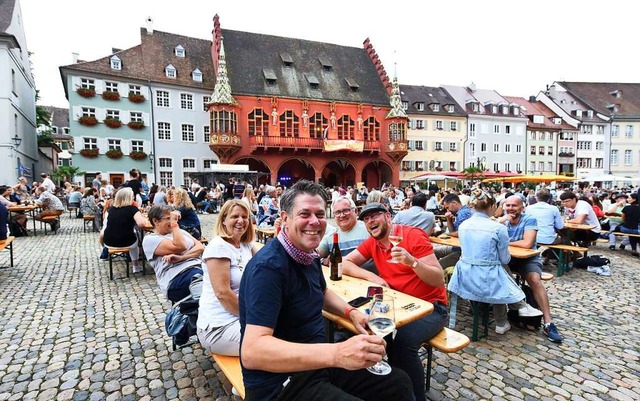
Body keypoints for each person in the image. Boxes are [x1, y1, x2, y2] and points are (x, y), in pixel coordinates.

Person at [239, 181, 412, 401]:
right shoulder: (269, 268)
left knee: (398, 382)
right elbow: (253, 352)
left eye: (320, 214)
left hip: (317, 365)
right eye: (304, 214)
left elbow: (321, 292)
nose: (314, 221)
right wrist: (337, 354)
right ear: (284, 218)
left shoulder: (307, 253)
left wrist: (351, 313)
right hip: (281, 384)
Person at [342, 202, 447, 401]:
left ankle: (414, 396)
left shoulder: (413, 235)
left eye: (375, 215)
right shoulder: (373, 243)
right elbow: (346, 263)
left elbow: (438, 279)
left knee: (402, 341)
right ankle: (391, 387)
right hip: (397, 305)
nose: (370, 221)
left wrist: (413, 262)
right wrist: (374, 278)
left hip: (431, 308)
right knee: (366, 328)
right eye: (366, 218)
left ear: (388, 217)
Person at [448, 191, 542, 335]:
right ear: (492, 206)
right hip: (487, 279)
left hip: (465, 275)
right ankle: (510, 314)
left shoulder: (464, 225)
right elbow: (505, 259)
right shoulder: (499, 228)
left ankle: (515, 310)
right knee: (499, 275)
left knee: (497, 274)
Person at [198, 200, 258, 356]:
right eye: (235, 216)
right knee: (278, 339)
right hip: (220, 327)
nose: (241, 221)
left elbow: (268, 261)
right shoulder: (219, 246)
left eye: (245, 217)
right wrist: (256, 317)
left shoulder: (245, 245)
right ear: (224, 220)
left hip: (241, 318)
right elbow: (223, 294)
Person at [500, 195, 564, 343]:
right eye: (508, 205)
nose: (510, 208)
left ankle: (548, 322)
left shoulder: (529, 219)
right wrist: (500, 223)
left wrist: (507, 242)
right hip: (508, 258)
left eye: (514, 206)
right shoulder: (502, 221)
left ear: (522, 207)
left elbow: (527, 243)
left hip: (528, 258)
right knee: (492, 272)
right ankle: (502, 311)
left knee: (535, 280)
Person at [143, 205, 204, 302]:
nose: (172, 221)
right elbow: (180, 246)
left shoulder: (180, 232)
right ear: (156, 221)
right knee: (205, 282)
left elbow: (200, 247)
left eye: (173, 218)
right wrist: (174, 224)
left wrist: (182, 258)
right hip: (176, 277)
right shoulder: (150, 239)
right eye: (169, 218)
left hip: (198, 268)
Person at [317, 196, 374, 272]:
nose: (342, 215)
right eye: (337, 212)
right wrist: (324, 261)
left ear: (356, 211)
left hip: (368, 281)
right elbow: (314, 255)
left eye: (346, 210)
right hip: (340, 282)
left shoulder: (369, 230)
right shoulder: (331, 236)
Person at [100, 188, 148, 273]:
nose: (133, 198)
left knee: (132, 236)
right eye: (132, 196)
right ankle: (135, 266)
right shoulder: (132, 209)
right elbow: (141, 224)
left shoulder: (112, 209)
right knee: (136, 238)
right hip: (126, 242)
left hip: (108, 242)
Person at [525, 189, 564, 265]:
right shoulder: (554, 209)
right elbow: (560, 226)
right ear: (549, 199)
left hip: (531, 238)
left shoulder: (529, 208)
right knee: (564, 239)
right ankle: (566, 258)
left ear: (536, 198)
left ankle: (547, 258)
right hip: (548, 239)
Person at [620, 192, 640, 256]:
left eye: (629, 198)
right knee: (634, 234)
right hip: (636, 229)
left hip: (625, 228)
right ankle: (633, 249)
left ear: (634, 200)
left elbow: (623, 219)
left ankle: (633, 249)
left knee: (631, 234)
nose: (627, 199)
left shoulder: (626, 208)